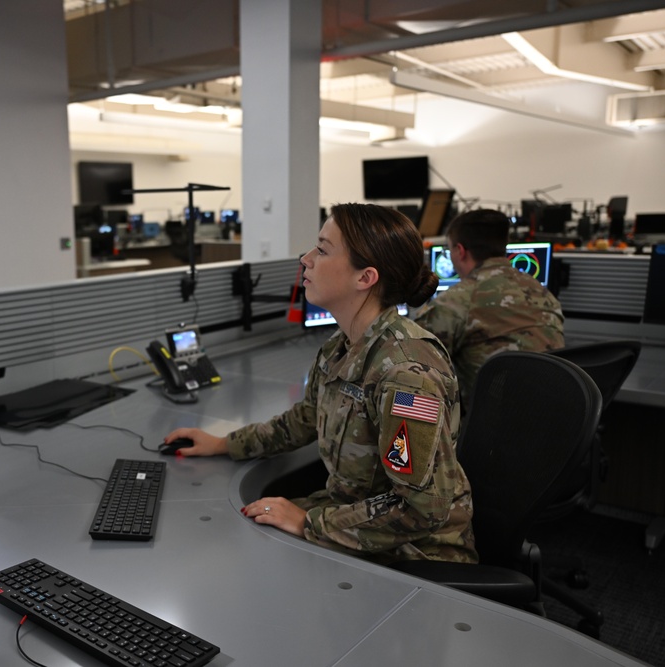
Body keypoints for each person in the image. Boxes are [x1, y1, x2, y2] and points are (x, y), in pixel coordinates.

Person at [164, 203, 477, 565]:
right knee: (225, 531)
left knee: (238, 556)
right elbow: (304, 419)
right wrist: (222, 443)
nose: (306, 259)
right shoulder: (341, 347)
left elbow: (421, 511)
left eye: (323, 250)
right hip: (351, 519)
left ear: (365, 278)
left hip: (413, 553)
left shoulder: (407, 374)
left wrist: (310, 523)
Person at [414, 208, 565, 410]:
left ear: (460, 251)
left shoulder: (454, 303)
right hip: (554, 424)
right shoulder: (545, 295)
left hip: (489, 429)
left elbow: (413, 372)